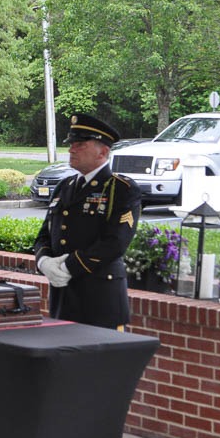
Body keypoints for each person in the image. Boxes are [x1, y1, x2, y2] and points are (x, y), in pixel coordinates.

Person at [33, 113, 141, 330]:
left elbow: (115, 243)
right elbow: (45, 235)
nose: (71, 150)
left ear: (103, 152)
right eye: (71, 144)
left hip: (100, 300)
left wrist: (68, 266)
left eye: (80, 144)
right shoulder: (65, 186)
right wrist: (44, 262)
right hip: (63, 298)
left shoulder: (120, 189)